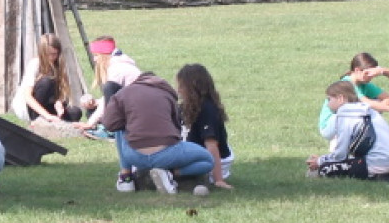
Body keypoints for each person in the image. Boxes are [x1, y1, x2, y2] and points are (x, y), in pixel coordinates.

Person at [78, 58, 215, 195]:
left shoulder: (123, 94)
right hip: (167, 155)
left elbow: (109, 124)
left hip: (134, 156)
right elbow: (176, 127)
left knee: (119, 125)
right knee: (208, 160)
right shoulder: (168, 94)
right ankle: (172, 173)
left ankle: (126, 177)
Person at [307, 80, 389, 181]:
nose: (327, 104)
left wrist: (320, 161)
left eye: (329, 99)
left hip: (377, 163)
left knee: (324, 169)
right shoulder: (369, 110)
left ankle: (379, 175)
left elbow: (340, 155)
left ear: (340, 98)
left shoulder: (344, 114)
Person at [176, 63, 234, 189]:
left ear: (193, 87)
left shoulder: (208, 110)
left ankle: (175, 175)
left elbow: (211, 145)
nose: (178, 90)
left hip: (212, 159)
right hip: (192, 153)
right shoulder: (182, 108)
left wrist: (219, 180)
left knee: (202, 164)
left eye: (182, 86)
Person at [317, 52, 389, 141]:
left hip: (347, 122)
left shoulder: (365, 85)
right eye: (368, 73)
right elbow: (367, 103)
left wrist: (379, 105)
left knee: (372, 105)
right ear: (357, 70)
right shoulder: (347, 84)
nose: (371, 77)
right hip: (330, 125)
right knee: (365, 108)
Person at [16, 33, 84, 124]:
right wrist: (47, 115)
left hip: (47, 104)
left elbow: (59, 94)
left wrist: (59, 103)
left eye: (54, 54)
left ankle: (53, 121)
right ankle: (36, 120)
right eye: (47, 54)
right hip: (30, 107)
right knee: (46, 82)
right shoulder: (35, 64)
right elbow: (28, 97)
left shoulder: (58, 66)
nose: (51, 58)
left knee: (75, 112)